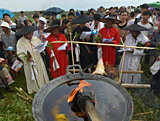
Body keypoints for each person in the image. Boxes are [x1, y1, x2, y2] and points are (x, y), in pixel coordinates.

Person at [16, 25, 49, 94]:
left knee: (40, 71)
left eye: (32, 33)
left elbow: (41, 46)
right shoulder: (20, 42)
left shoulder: (35, 39)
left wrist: (42, 49)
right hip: (29, 62)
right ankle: (35, 88)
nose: (31, 34)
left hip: (38, 59)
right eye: (29, 33)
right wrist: (26, 58)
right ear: (24, 34)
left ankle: (43, 84)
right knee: (32, 74)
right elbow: (19, 53)